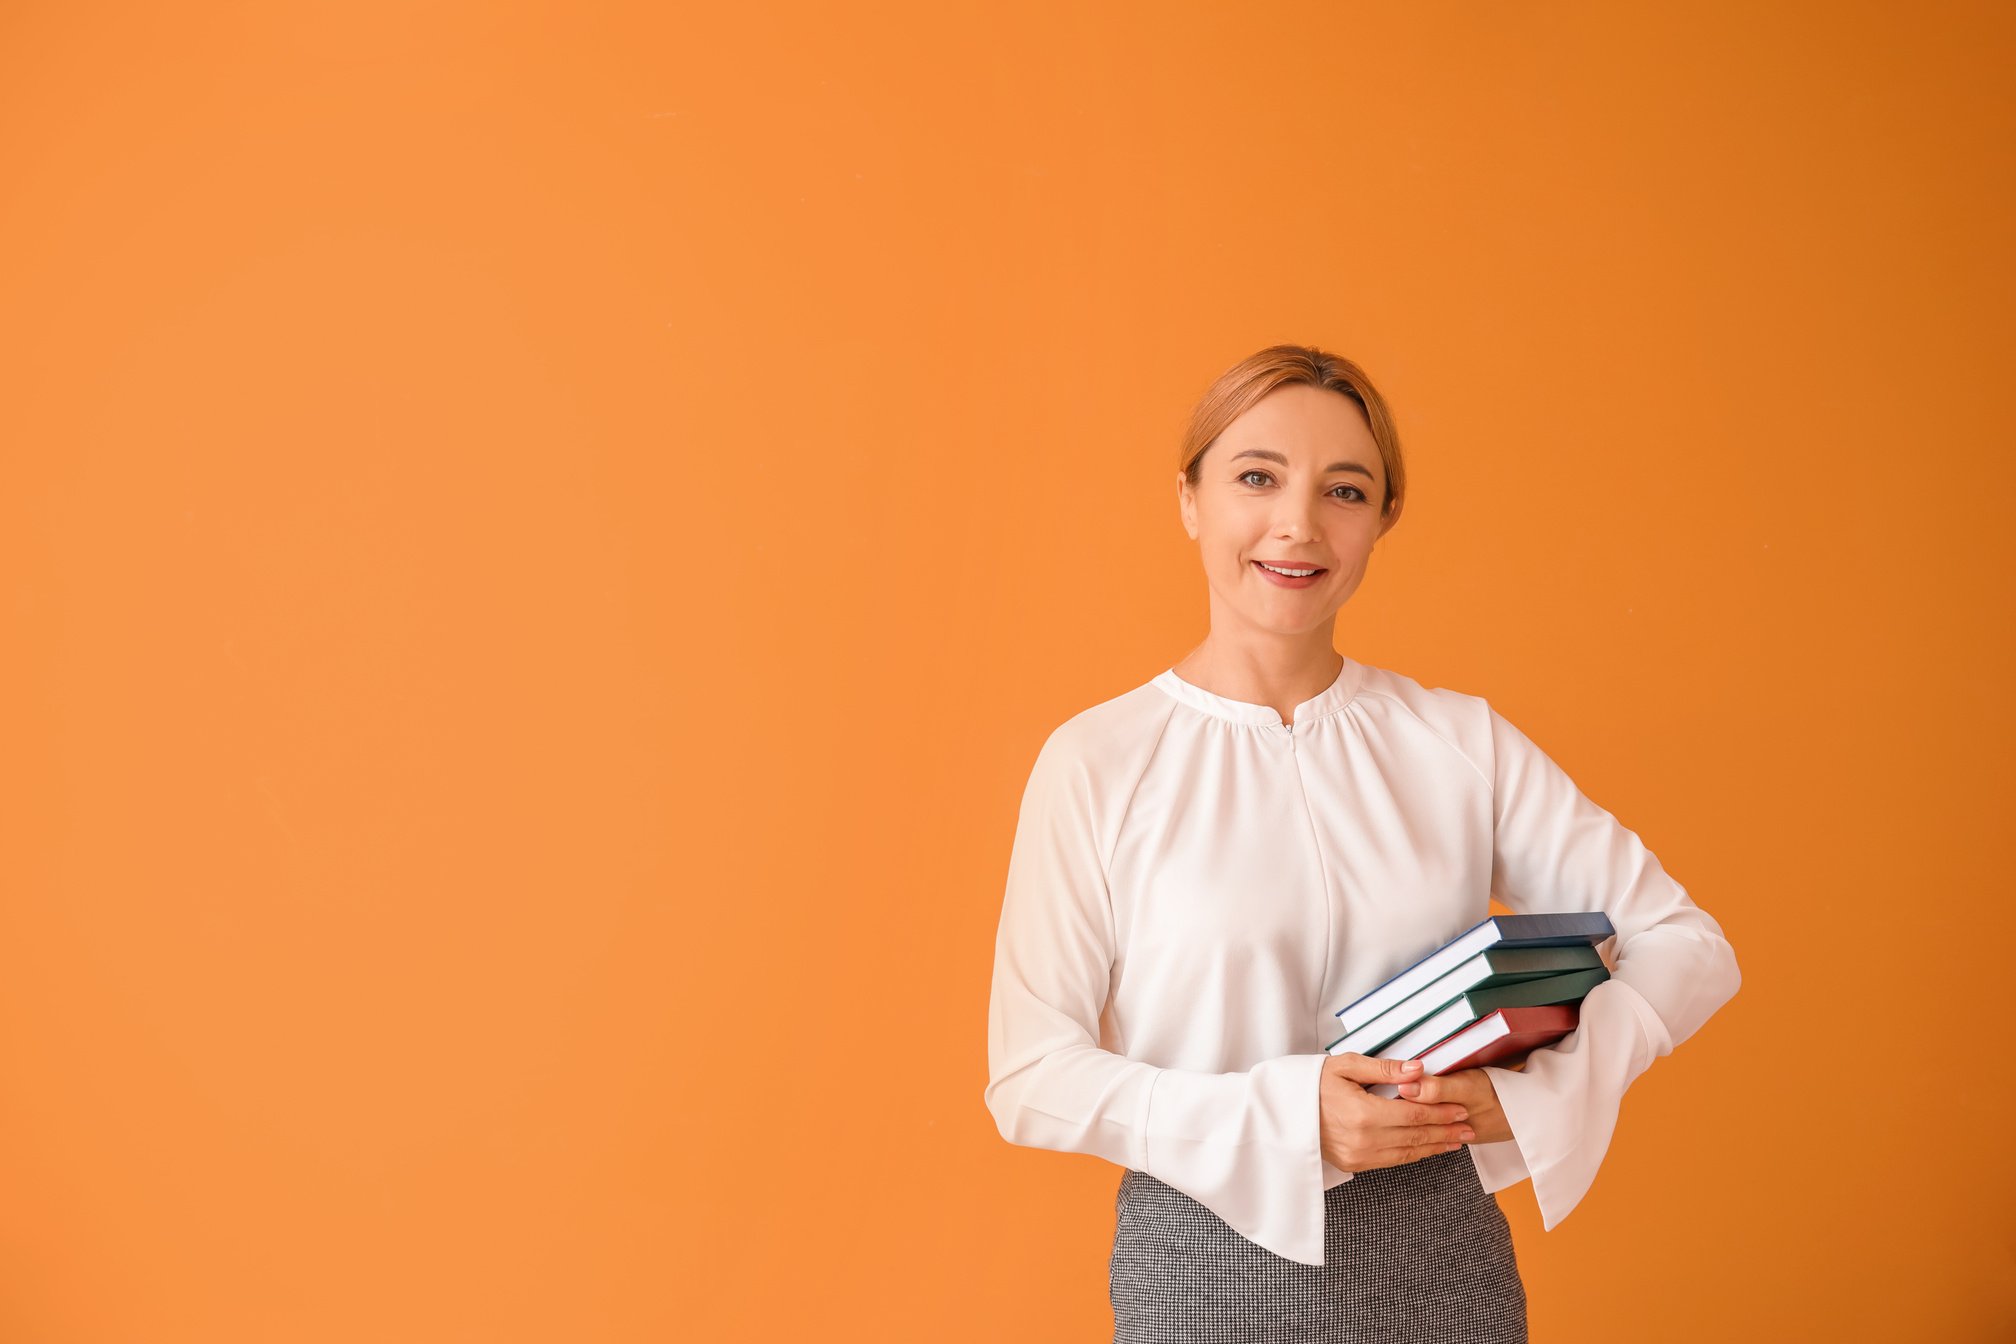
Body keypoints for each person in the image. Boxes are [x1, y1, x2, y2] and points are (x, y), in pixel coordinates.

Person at [981, 344, 1742, 1343]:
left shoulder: (1458, 741)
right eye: (1257, 476)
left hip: (1445, 1266)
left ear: (1383, 520)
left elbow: (1685, 941)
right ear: (1190, 498)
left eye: (1346, 490)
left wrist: (1545, 1094)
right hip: (1201, 1274)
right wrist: (1290, 1116)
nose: (1298, 523)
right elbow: (1030, 1075)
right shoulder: (1098, 762)